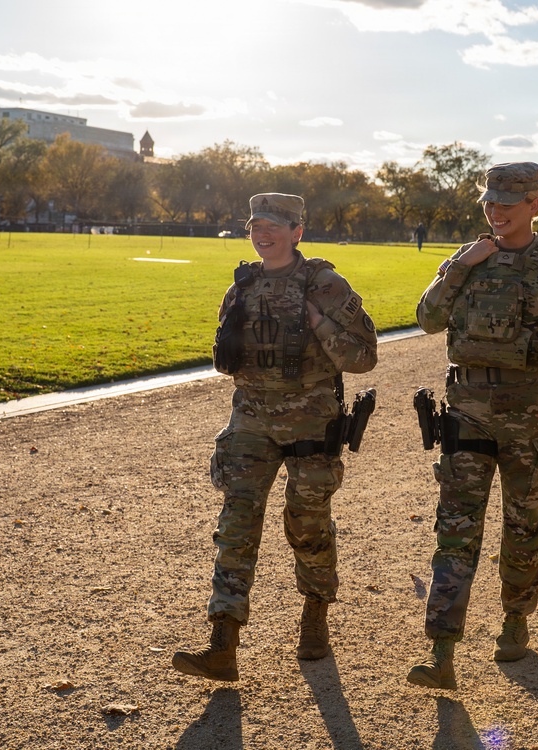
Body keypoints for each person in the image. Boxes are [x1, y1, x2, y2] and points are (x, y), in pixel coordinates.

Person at [172, 192, 378, 681]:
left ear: (296, 232)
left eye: (273, 226)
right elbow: (228, 355)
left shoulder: (325, 283)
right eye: (255, 226)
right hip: (251, 420)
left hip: (311, 422)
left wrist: (318, 323)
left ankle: (314, 615)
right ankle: (222, 641)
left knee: (307, 523)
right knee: (237, 522)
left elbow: (364, 356)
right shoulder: (242, 285)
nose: (262, 235)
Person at [406, 162, 538, 690]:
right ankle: (442, 650)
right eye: (489, 203)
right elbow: (427, 319)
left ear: (535, 205)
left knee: (522, 524)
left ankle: (515, 619)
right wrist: (458, 268)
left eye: (506, 205)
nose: (495, 212)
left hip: (529, 416)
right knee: (456, 530)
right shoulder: (468, 257)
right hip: (466, 408)